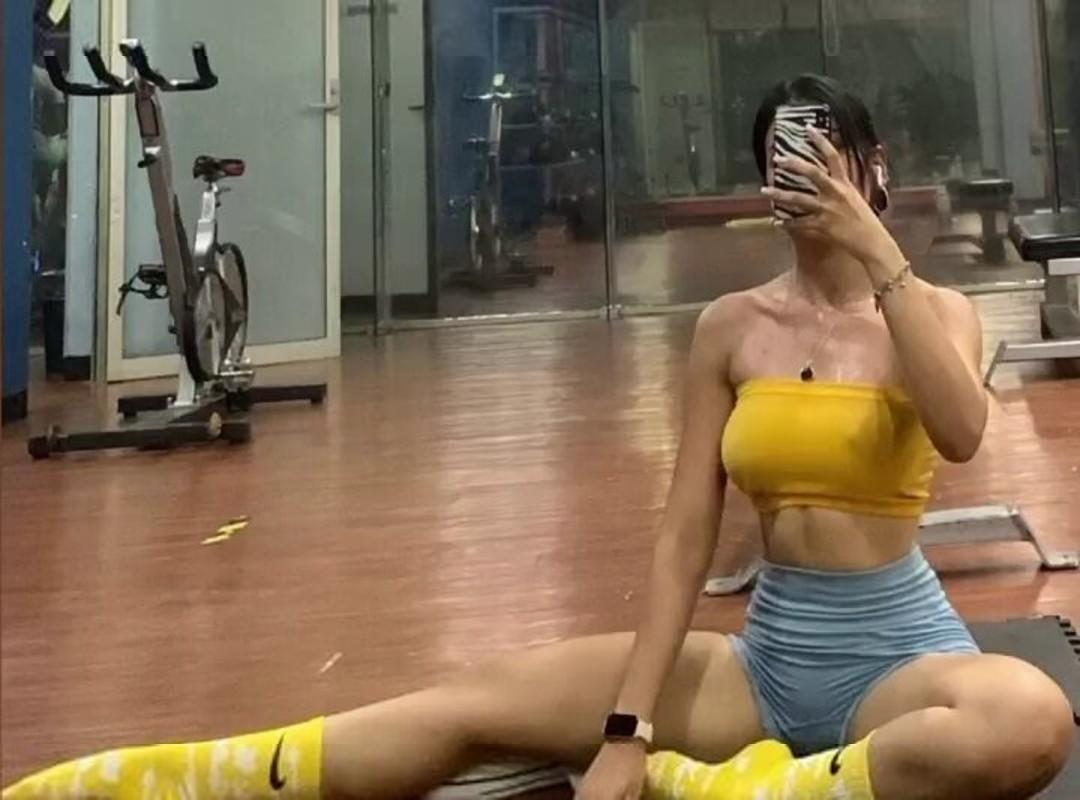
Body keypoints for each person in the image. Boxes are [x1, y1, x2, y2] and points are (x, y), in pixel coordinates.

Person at [3, 75, 1073, 800]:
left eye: (827, 158)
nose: (805, 178)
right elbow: (682, 535)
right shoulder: (730, 327)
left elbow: (962, 430)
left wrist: (878, 249)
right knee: (469, 705)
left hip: (898, 658)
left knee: (1029, 719)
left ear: (873, 167)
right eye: (784, 159)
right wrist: (628, 731)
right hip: (765, 662)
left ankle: (743, 789)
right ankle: (145, 780)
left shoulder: (932, 309)